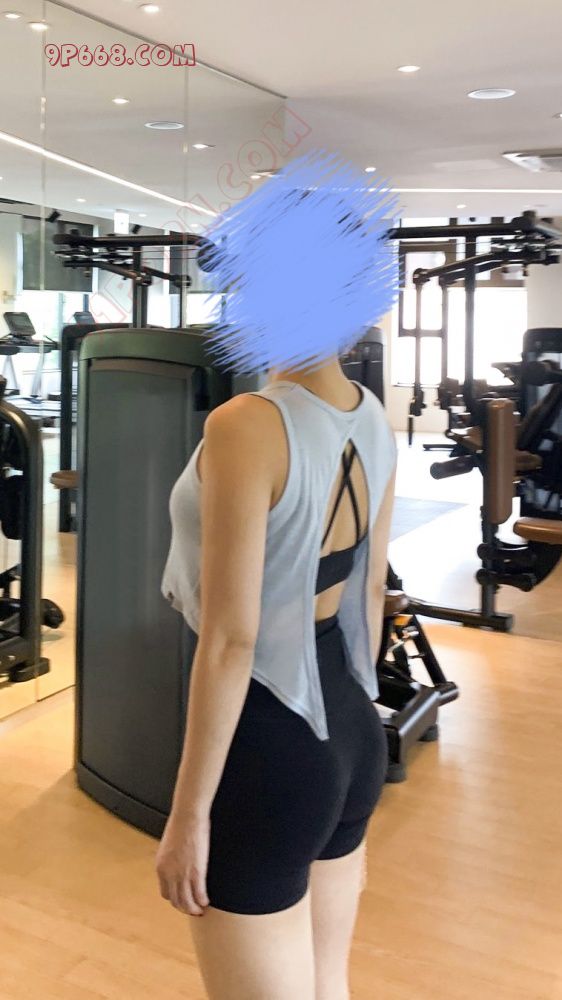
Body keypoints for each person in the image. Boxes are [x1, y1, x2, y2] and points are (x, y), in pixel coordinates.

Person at [156, 157, 398, 999]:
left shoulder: (246, 425)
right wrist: (352, 735)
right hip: (350, 728)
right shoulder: (372, 415)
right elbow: (370, 596)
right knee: (327, 984)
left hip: (267, 747)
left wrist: (187, 816)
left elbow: (232, 639)